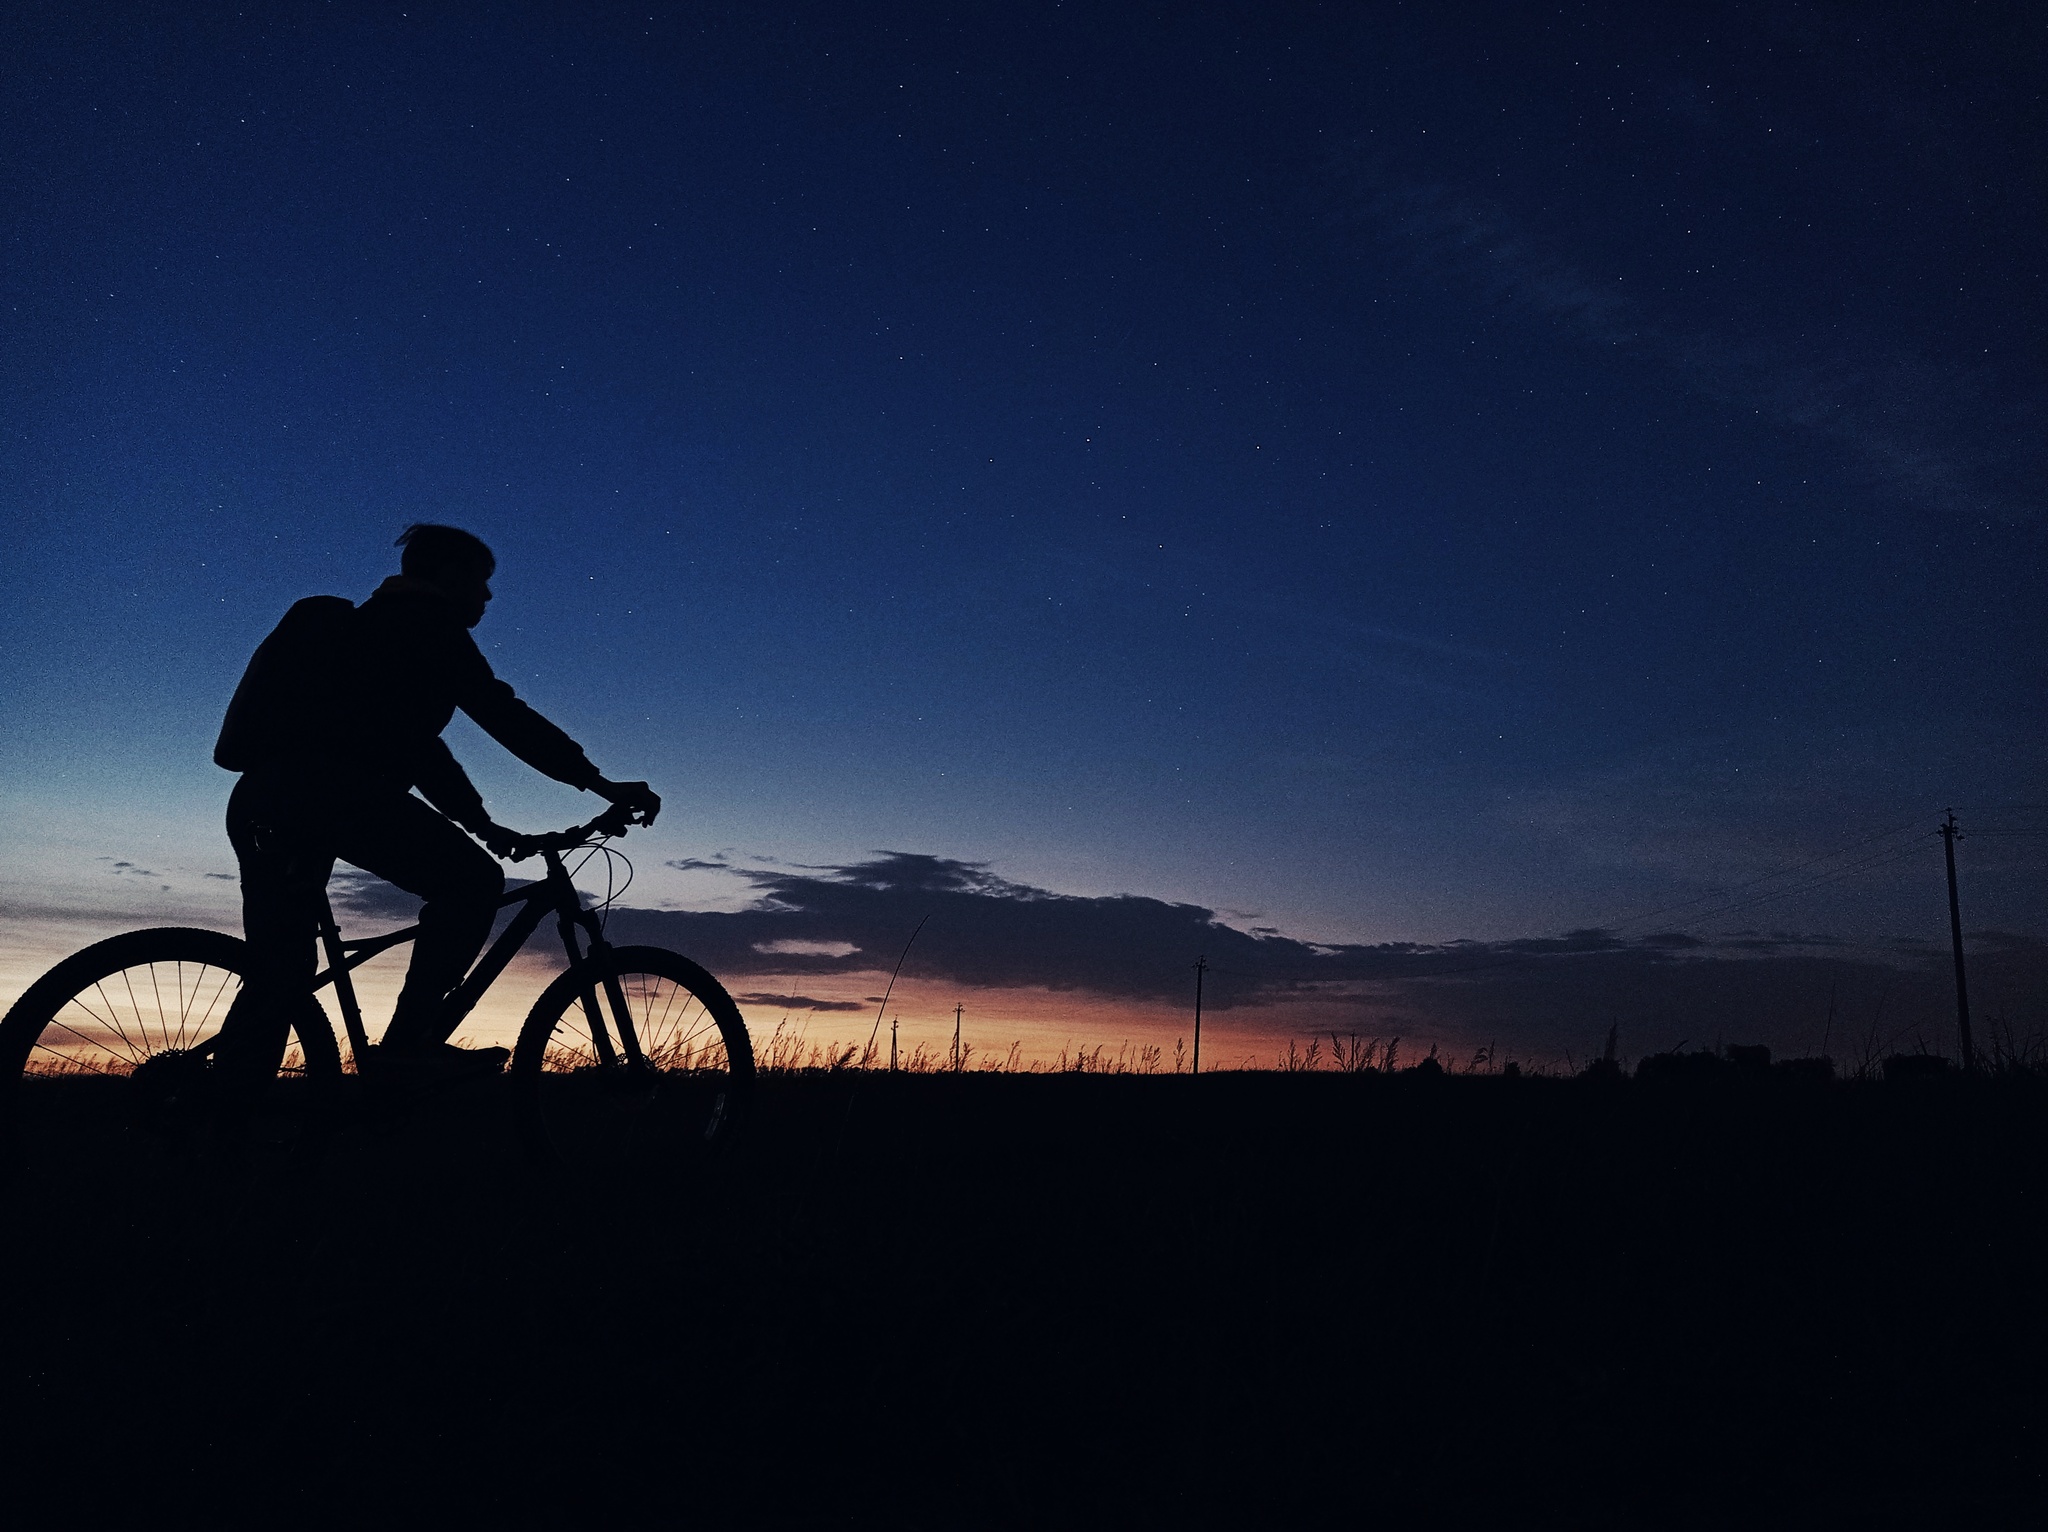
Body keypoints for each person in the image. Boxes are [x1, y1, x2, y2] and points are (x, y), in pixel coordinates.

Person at [211, 523, 660, 1094]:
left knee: (281, 974)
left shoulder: (372, 631)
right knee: (472, 882)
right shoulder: (426, 624)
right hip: (330, 795)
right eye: (482, 580)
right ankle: (407, 1046)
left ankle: (220, 1119)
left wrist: (482, 824)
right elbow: (502, 714)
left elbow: (419, 750)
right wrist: (600, 783)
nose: (489, 596)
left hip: (263, 796)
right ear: (449, 575)